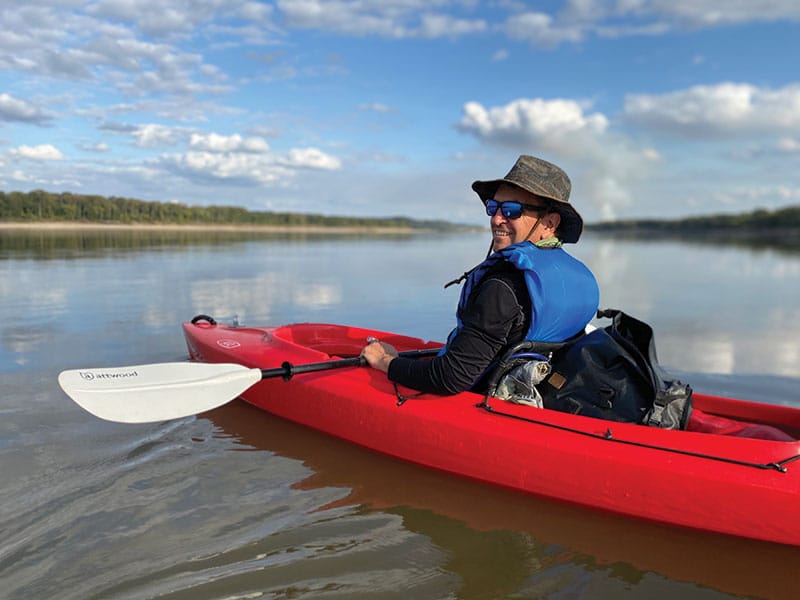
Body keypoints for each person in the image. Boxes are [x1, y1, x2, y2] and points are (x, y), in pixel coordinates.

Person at [361, 155, 600, 395]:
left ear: (549, 223)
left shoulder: (502, 287)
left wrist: (385, 361)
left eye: (511, 210)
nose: (496, 219)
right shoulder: (582, 278)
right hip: (547, 393)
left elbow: (450, 378)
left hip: (487, 402)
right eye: (493, 207)